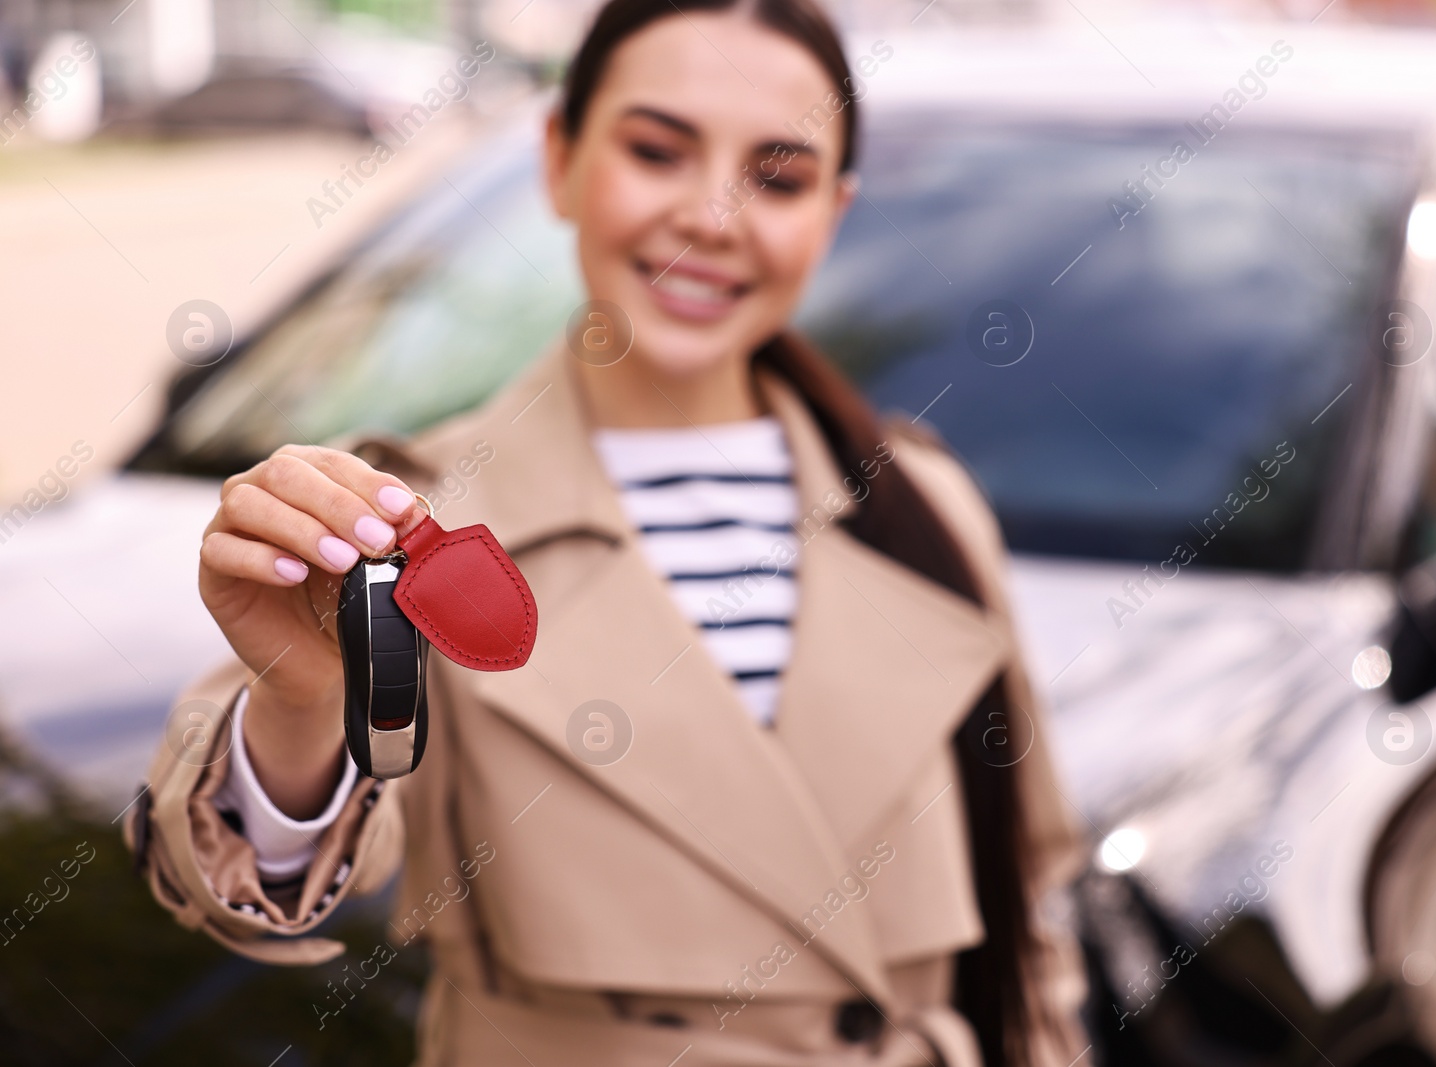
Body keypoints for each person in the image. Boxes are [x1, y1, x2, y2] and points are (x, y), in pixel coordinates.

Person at [128, 1, 1093, 1063]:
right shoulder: (411, 520)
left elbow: (1031, 908)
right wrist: (296, 698)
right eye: (655, 151)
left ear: (834, 210)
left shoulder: (918, 506)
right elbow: (250, 879)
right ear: (560, 160)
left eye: (777, 176)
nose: (713, 217)